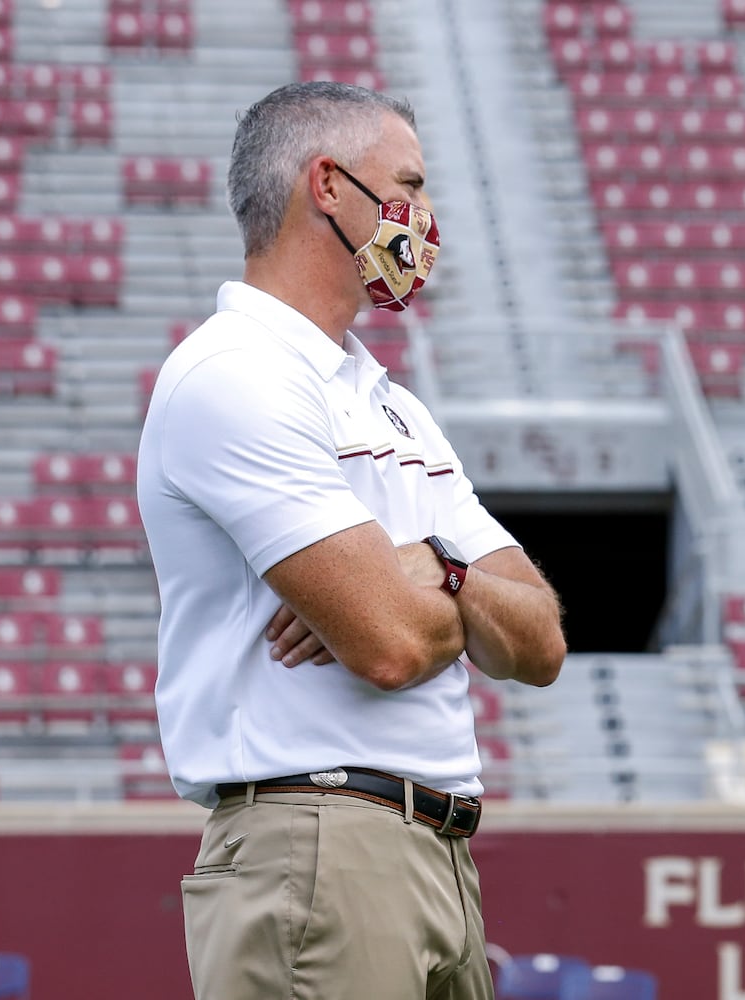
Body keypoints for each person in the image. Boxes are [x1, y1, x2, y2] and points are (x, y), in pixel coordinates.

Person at [136, 81, 568, 1000]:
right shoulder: (235, 372)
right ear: (327, 186)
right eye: (408, 182)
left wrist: (434, 567)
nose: (426, 218)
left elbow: (539, 644)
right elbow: (391, 642)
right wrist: (443, 593)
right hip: (319, 840)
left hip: (432, 852)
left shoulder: (389, 401)